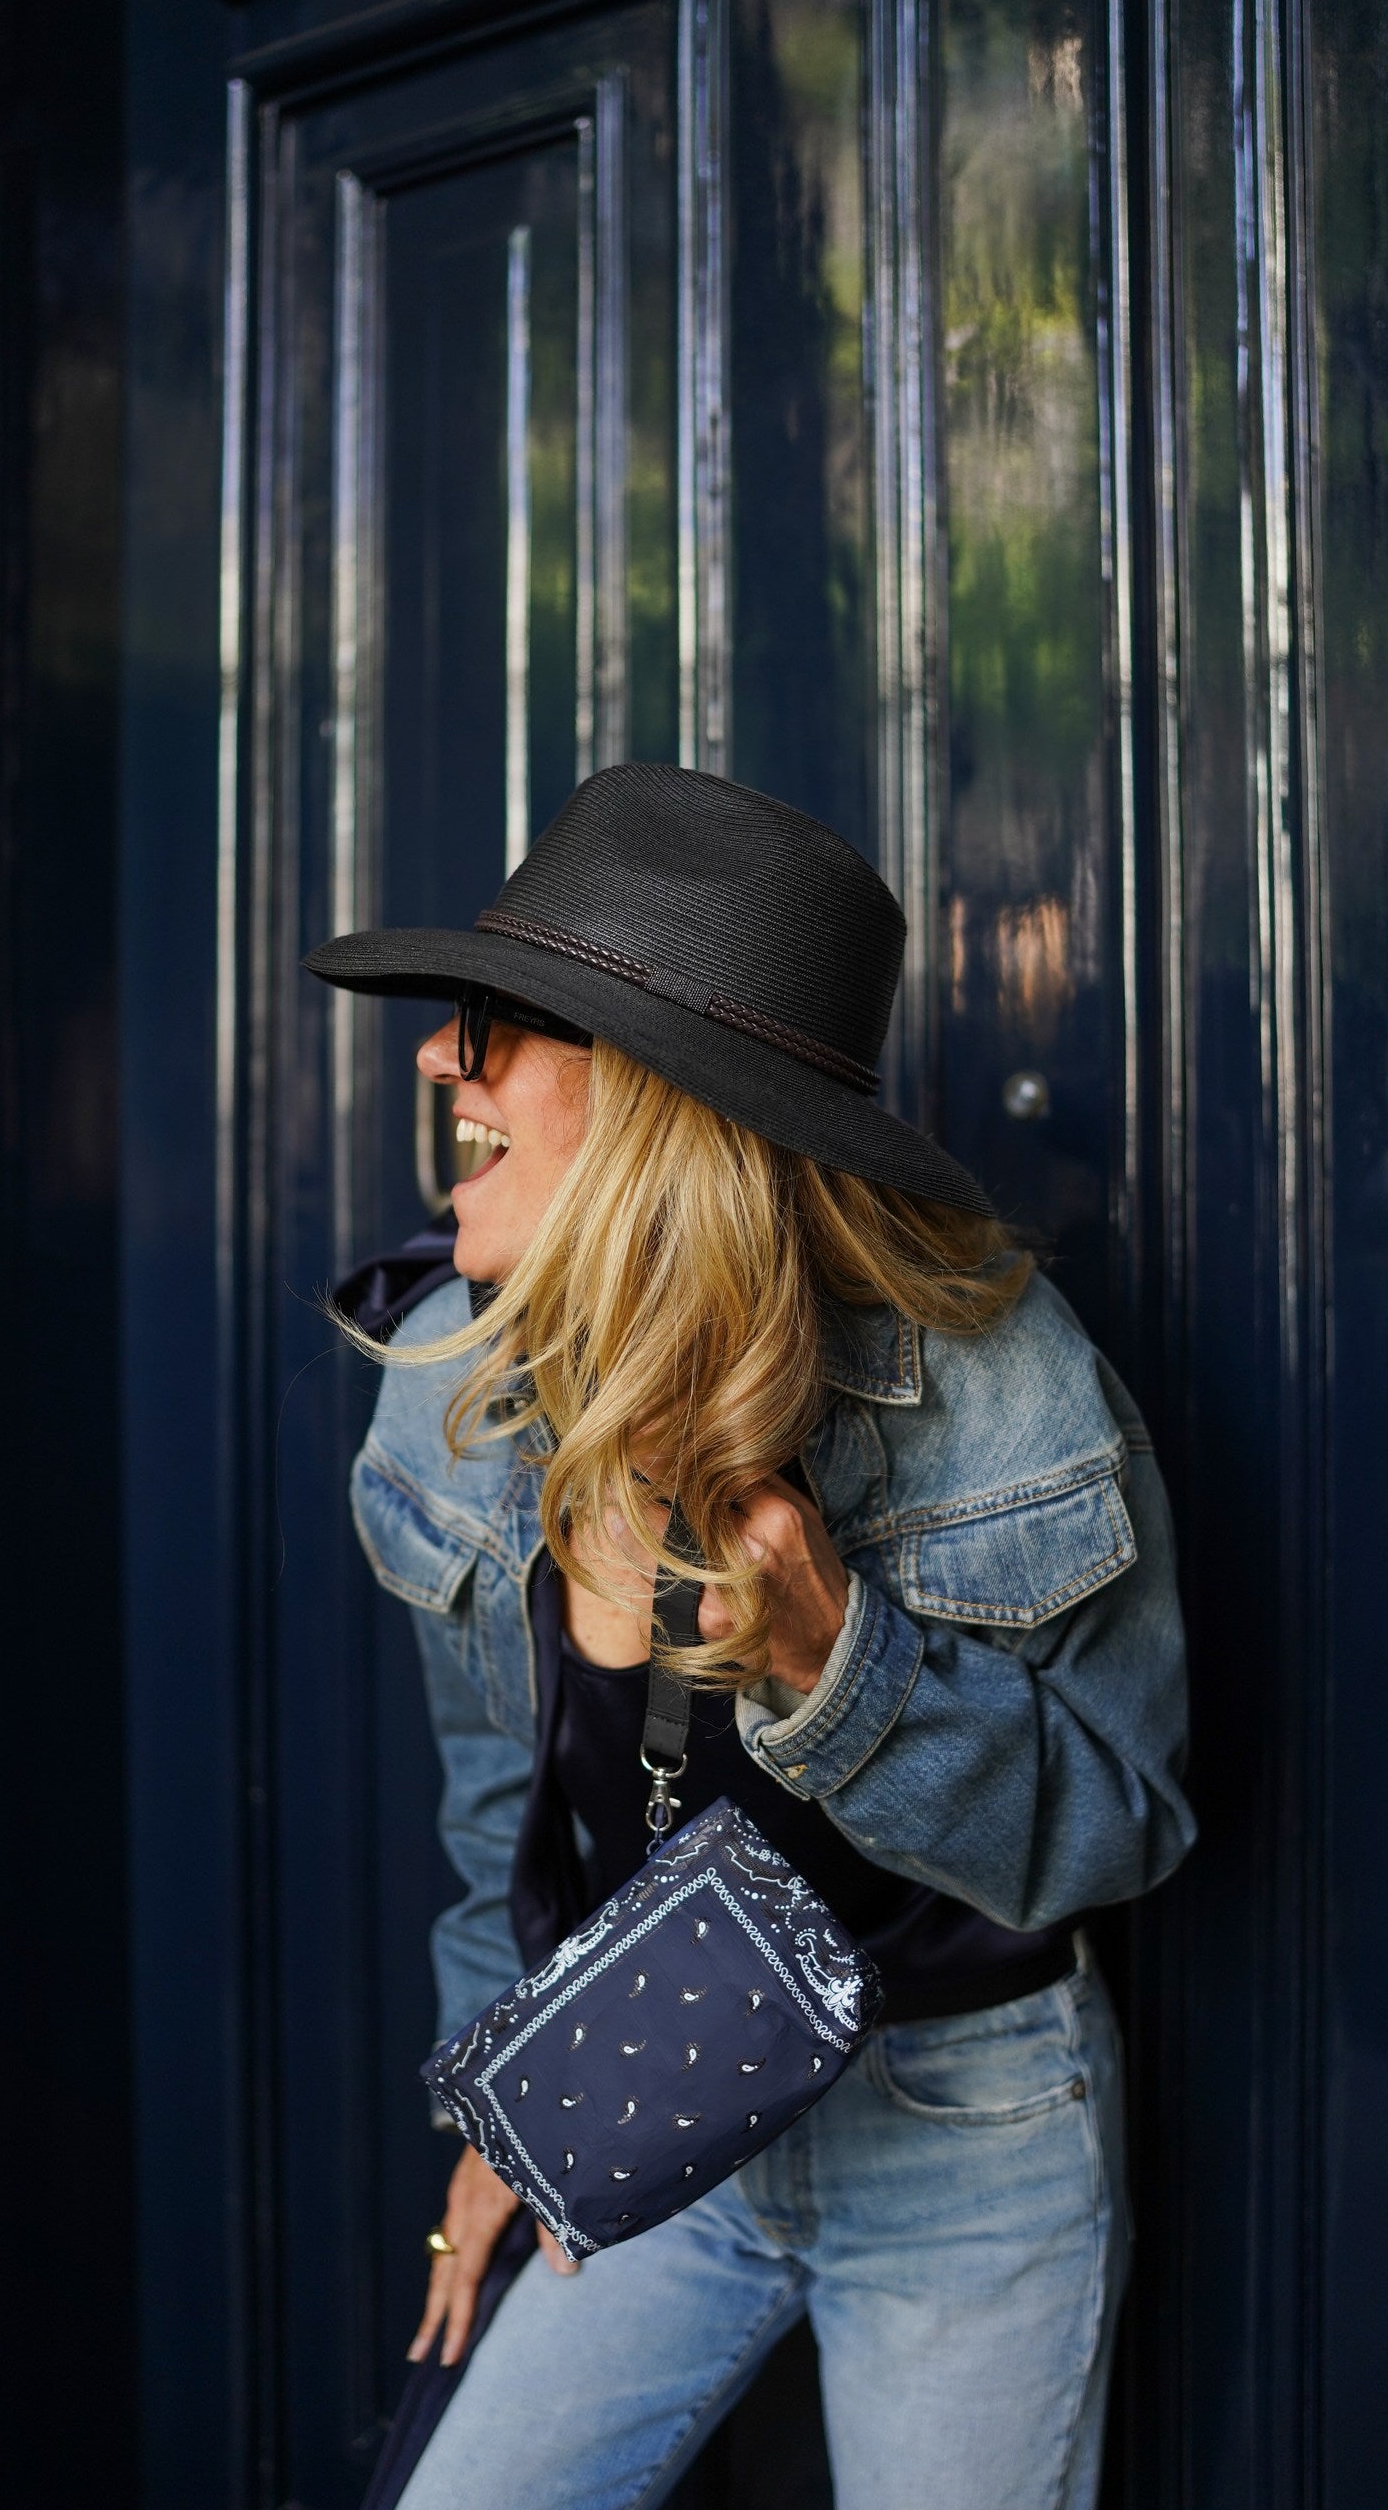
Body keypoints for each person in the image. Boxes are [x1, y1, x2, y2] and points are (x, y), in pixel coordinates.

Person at [305, 763, 1195, 2510]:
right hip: (637, 2092)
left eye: (491, 1024)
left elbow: (1127, 1823)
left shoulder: (1000, 1393)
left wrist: (841, 1665)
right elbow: (501, 1800)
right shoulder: (446, 1400)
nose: (436, 1060)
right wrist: (502, 2117)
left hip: (967, 2127)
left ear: (654, 1102)